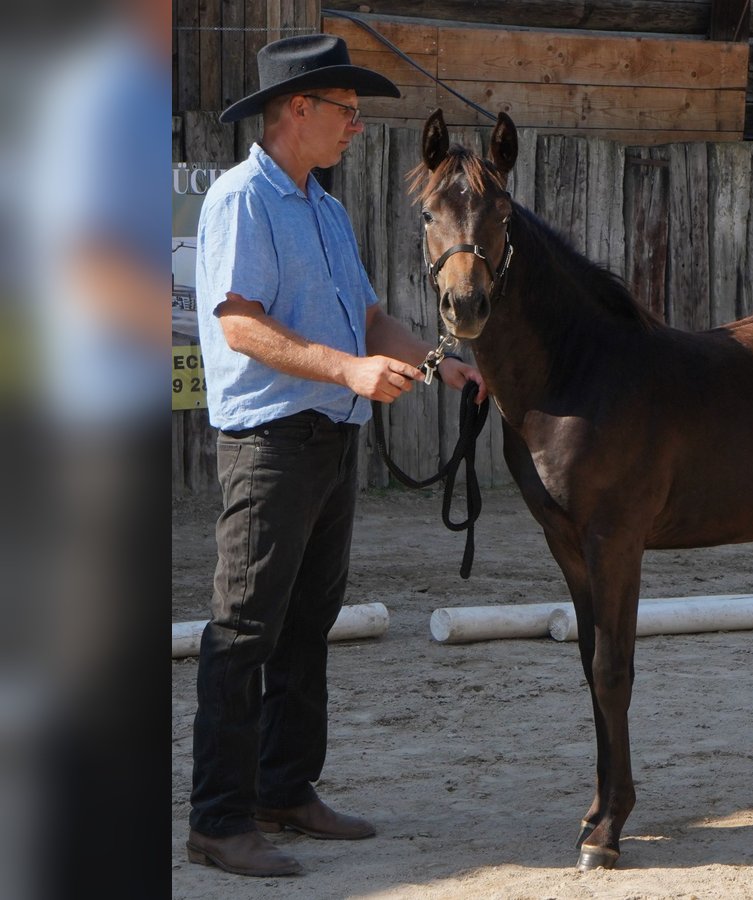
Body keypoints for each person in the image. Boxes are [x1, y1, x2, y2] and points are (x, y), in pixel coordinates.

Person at [187, 34, 486, 878]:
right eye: (347, 112)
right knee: (243, 630)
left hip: (328, 437)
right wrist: (348, 369)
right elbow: (238, 322)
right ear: (298, 110)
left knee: (306, 627)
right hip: (270, 442)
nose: (358, 126)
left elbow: (365, 316)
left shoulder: (323, 206)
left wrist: (437, 359)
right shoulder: (241, 200)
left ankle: (284, 789)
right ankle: (217, 819)